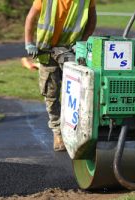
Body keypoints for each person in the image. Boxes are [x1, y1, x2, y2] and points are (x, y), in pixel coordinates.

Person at [24, 0, 97, 151]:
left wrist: (83, 41)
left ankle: (75, 131)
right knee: (51, 93)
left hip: (70, 50)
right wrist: (29, 43)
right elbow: (31, 17)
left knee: (75, 93)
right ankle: (57, 132)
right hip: (47, 51)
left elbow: (92, 18)